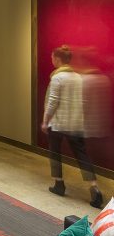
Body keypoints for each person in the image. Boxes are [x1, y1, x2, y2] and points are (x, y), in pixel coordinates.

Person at [41, 44, 103, 208]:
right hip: (75, 123)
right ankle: (94, 187)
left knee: (55, 154)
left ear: (58, 59)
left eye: (52, 57)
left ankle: (59, 184)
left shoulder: (57, 78)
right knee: (82, 156)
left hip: (58, 123)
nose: (51, 59)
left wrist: (45, 121)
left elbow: (53, 102)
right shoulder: (77, 77)